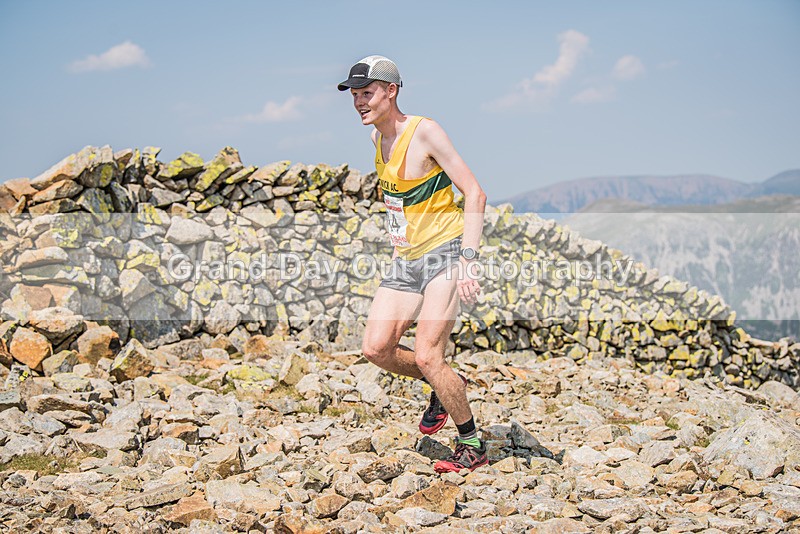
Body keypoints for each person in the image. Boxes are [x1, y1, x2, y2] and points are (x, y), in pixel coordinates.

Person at [338, 55, 489, 473]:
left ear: (391, 91)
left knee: (427, 355)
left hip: (445, 254)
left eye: (366, 93)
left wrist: (469, 262)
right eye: (354, 95)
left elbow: (475, 193)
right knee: (376, 348)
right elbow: (399, 205)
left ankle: (472, 445)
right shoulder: (375, 141)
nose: (359, 103)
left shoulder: (426, 132)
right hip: (406, 260)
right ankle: (444, 388)